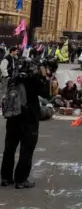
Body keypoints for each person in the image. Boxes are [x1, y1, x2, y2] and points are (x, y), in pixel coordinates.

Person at [1, 58, 48, 188]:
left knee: (9, 149)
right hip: (29, 120)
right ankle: (21, 179)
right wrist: (43, 76)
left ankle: (6, 178)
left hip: (13, 118)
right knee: (26, 150)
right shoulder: (34, 80)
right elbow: (46, 94)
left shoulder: (13, 80)